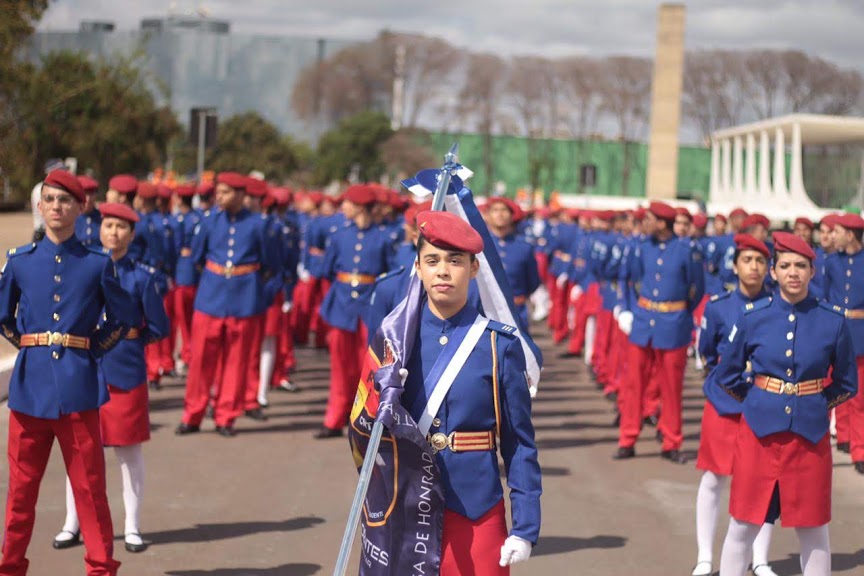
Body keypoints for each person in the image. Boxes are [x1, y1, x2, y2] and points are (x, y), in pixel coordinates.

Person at [0, 170, 133, 576]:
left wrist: (91, 350)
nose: (56, 206)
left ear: (81, 207)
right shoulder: (20, 262)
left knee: (90, 492)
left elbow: (122, 319)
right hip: (30, 392)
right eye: (50, 199)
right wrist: (30, 347)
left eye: (65, 200)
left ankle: (100, 569)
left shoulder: (96, 263)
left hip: (78, 391)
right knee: (20, 494)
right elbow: (4, 318)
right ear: (40, 207)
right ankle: (9, 568)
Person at [404, 210, 540, 574]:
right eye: (432, 260)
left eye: (455, 261)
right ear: (417, 268)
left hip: (475, 510)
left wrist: (525, 527)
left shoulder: (498, 345)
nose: (443, 271)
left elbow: (519, 443)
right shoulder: (398, 341)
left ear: (474, 268)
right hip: (406, 507)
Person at [715, 232, 857, 576]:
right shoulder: (753, 316)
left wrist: (816, 402)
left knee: (813, 529)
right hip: (758, 435)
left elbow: (846, 383)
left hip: (809, 437)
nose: (793, 272)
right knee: (742, 525)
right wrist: (757, 400)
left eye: (801, 266)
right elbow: (728, 374)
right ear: (773, 272)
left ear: (812, 271)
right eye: (785, 266)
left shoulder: (833, 320)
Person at [52, 202, 169, 554]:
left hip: (125, 373)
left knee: (128, 453)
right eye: (108, 226)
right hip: (84, 367)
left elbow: (157, 327)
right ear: (99, 230)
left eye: (121, 227)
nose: (113, 233)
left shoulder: (142, 277)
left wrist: (129, 343)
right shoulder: (83, 268)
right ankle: (73, 522)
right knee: (79, 452)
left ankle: (132, 525)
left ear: (131, 235)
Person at [691, 234, 777, 576]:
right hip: (725, 402)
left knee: (762, 482)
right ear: (735, 265)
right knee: (714, 478)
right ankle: (705, 555)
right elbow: (707, 352)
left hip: (766, 405)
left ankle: (760, 558)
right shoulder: (718, 305)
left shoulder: (778, 306)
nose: (754, 267)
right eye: (747, 260)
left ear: (768, 268)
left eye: (760, 261)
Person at [175, 172, 277, 437]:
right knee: (200, 361)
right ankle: (192, 415)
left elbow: (269, 263)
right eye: (218, 192)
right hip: (211, 297)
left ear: (241, 195)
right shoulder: (208, 221)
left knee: (236, 361)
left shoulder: (257, 224)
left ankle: (226, 416)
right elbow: (197, 257)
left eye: (225, 192)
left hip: (244, 299)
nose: (219, 197)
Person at [615, 201, 704, 464]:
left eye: (649, 219)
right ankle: (627, 438)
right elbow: (635, 280)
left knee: (671, 387)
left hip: (673, 323)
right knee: (634, 384)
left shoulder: (686, 250)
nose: (644, 223)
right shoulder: (643, 247)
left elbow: (697, 288)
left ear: (662, 223)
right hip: (644, 321)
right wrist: (636, 310)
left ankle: (671, 441)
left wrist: (679, 312)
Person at [315, 184, 392, 438]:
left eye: (347, 202)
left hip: (369, 308)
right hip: (342, 306)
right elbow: (327, 270)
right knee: (340, 366)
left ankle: (365, 420)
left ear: (360, 206)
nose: (343, 207)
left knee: (368, 368)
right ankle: (334, 419)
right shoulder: (339, 235)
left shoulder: (382, 237)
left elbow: (390, 275)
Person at [824, 213, 864, 474]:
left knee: (859, 396)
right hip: (835, 330)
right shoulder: (831, 262)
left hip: (860, 332)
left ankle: (859, 450)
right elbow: (825, 295)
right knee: (833, 386)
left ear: (850, 235)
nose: (832, 235)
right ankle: (843, 435)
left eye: (836, 231)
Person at [74, 175, 102, 247]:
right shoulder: (69, 218)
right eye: (84, 194)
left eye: (91, 194)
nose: (88, 199)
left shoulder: (102, 218)